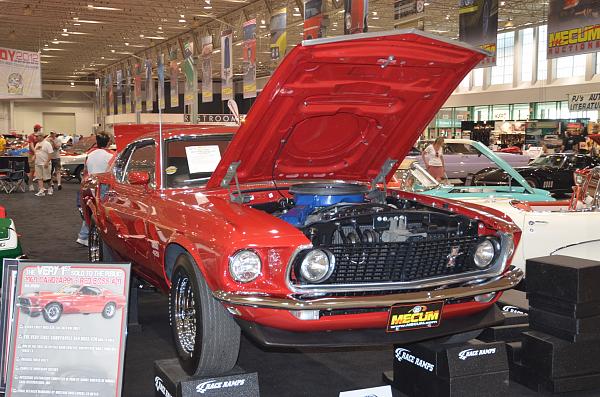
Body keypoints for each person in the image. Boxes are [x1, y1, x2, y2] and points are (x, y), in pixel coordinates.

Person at [76, 132, 115, 246]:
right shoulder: (111, 155)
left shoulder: (90, 154)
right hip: (103, 186)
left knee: (91, 211)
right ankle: (87, 236)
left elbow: (85, 171)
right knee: (101, 212)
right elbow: (112, 171)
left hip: (90, 184)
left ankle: (83, 235)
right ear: (108, 142)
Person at [33, 131, 54, 196]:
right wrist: (34, 157)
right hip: (38, 163)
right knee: (39, 177)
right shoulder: (37, 144)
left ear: (41, 136)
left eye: (37, 136)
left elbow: (50, 153)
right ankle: (41, 190)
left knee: (47, 178)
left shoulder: (47, 144)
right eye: (35, 136)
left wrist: (47, 162)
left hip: (45, 163)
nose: (35, 137)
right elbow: (36, 152)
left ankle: (50, 188)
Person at [27, 124, 41, 191]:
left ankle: (40, 186)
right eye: (40, 128)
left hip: (39, 155)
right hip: (32, 154)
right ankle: (30, 184)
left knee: (39, 170)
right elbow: (31, 145)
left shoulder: (40, 136)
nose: (40, 129)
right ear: (38, 129)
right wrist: (35, 152)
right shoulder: (31, 136)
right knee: (32, 171)